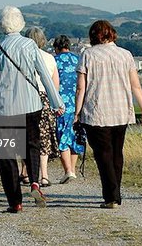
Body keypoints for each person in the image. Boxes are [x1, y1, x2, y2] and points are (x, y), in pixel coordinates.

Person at [0, 6, 64, 213]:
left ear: (1, 25)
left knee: (6, 155)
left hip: (4, 108)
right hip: (32, 104)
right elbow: (44, 75)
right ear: (21, 23)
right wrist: (56, 102)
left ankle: (15, 202)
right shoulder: (30, 45)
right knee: (31, 145)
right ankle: (34, 182)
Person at [75, 20, 142, 209]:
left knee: (103, 154)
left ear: (93, 35)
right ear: (112, 34)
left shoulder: (87, 55)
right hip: (121, 111)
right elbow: (136, 86)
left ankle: (112, 196)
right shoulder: (125, 55)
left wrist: (77, 113)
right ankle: (115, 191)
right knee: (117, 153)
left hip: (96, 111)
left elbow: (80, 88)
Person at [19, 27, 60, 187]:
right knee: (43, 139)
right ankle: (44, 175)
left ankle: (28, 173)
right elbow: (54, 84)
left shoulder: (23, 56)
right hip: (45, 99)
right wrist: (55, 103)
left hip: (27, 98)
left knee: (26, 137)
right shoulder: (50, 58)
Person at [54, 35, 84, 184]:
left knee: (63, 136)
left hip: (62, 104)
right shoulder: (78, 59)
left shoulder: (55, 61)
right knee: (74, 137)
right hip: (78, 104)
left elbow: (53, 84)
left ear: (56, 47)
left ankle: (68, 171)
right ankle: (72, 170)